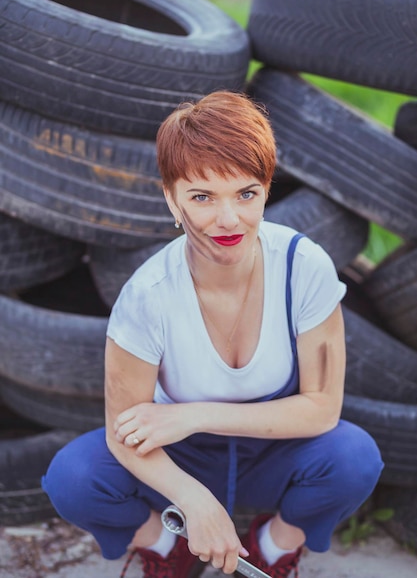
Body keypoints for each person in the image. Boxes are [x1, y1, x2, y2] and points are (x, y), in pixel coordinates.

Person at [42, 90, 383, 578]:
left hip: (272, 451)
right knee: (73, 478)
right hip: (179, 456)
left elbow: (322, 408)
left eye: (246, 193)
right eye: (202, 197)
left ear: (267, 188)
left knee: (354, 458)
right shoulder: (146, 296)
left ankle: (271, 545)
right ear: (171, 198)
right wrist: (191, 499)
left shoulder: (303, 267)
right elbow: (124, 435)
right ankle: (168, 546)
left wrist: (192, 414)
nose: (228, 221)